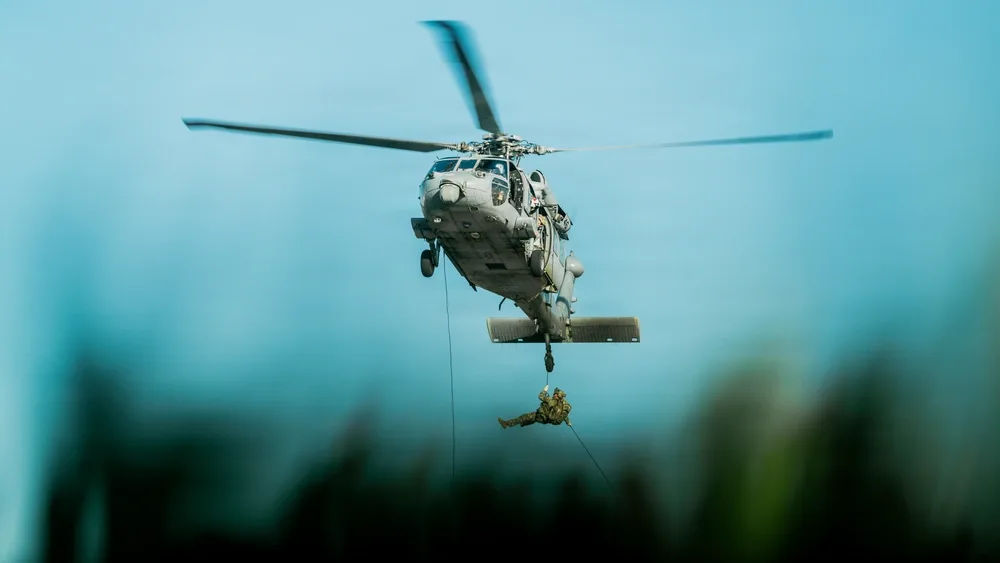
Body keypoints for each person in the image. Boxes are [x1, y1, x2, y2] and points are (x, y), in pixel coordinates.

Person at [498, 385, 572, 429]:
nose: (554, 394)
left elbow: (540, 396)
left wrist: (544, 390)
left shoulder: (550, 400)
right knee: (531, 420)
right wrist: (568, 422)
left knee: (523, 417)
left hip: (539, 416)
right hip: (544, 420)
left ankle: (506, 424)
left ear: (557, 395)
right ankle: (523, 423)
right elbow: (563, 415)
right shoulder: (561, 404)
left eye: (555, 394)